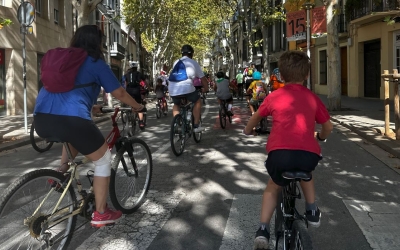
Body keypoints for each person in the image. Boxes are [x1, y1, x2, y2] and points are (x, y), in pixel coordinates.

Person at [33, 25, 146, 228]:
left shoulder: (61, 60)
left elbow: (65, 91)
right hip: (71, 120)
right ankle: (101, 212)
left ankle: (62, 172)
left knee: (73, 134)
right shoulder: (95, 62)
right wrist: (138, 106)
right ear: (98, 43)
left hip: (41, 118)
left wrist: (91, 106)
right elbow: (119, 93)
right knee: (103, 159)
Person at [243, 50, 333, 249]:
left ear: (281, 76)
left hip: (280, 155)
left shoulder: (275, 96)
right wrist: (321, 137)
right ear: (307, 75)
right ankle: (311, 210)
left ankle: (263, 231)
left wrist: (248, 130)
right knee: (306, 175)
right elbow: (328, 127)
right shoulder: (312, 98)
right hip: (307, 156)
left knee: (273, 187)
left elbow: (257, 116)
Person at [168, 44, 208, 132]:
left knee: (176, 104)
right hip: (187, 88)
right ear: (192, 54)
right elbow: (203, 79)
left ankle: (177, 123)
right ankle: (196, 126)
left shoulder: (176, 62)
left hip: (172, 88)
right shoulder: (193, 62)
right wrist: (206, 88)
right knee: (197, 101)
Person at [124, 61, 146, 129]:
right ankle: (141, 122)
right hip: (136, 91)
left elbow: (125, 83)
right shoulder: (139, 74)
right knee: (139, 105)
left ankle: (130, 113)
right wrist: (149, 87)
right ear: (136, 67)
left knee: (130, 103)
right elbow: (144, 82)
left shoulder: (127, 74)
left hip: (128, 91)